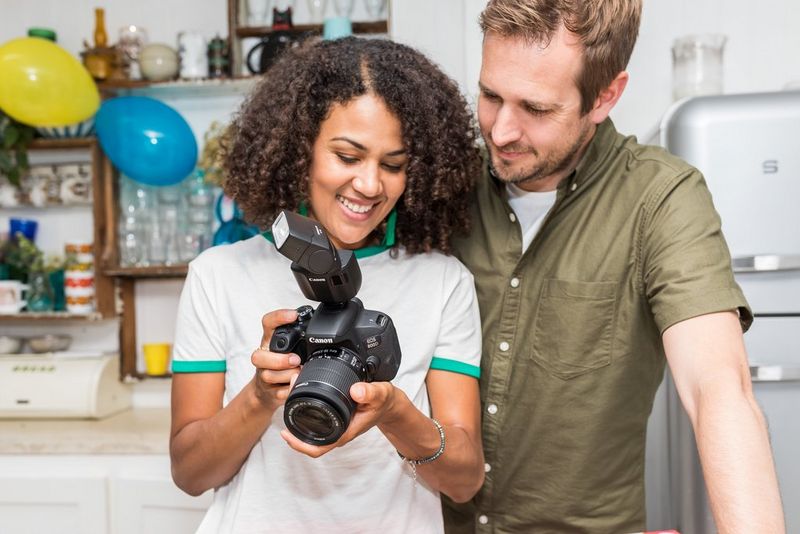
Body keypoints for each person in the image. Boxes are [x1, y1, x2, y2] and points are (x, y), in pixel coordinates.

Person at [443, 1, 786, 533]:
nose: (501, 130)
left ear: (606, 95)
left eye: (535, 109)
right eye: (490, 96)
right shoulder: (442, 183)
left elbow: (719, 389)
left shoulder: (660, 198)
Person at [169, 37, 485, 534]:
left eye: (393, 164)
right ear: (302, 151)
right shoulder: (219, 275)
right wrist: (260, 395)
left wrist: (395, 411)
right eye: (347, 155)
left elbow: (464, 481)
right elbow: (189, 473)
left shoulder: (443, 282)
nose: (370, 185)